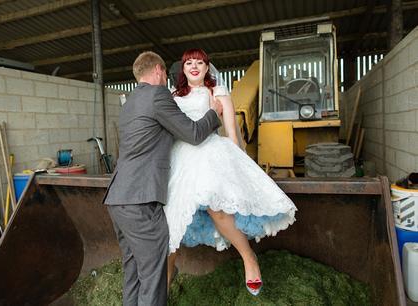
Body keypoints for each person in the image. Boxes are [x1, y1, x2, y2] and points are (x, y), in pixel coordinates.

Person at [165, 48, 297, 296]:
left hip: (209, 157)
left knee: (218, 208)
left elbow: (232, 135)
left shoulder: (218, 93)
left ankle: (249, 258)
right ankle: (165, 280)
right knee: (170, 220)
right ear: (182, 70)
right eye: (189, 63)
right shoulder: (172, 97)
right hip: (180, 161)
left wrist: (239, 170)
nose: (194, 66)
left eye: (200, 62)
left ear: (207, 67)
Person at [102, 51, 223, 306]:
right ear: (158, 70)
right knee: (153, 278)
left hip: (118, 199)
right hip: (140, 201)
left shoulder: (130, 104)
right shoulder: (158, 96)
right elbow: (192, 133)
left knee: (133, 272)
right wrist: (213, 113)